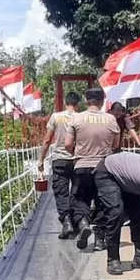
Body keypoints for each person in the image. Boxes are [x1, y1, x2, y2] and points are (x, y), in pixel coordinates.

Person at [64, 88, 119, 250]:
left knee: (79, 199)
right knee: (102, 203)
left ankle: (83, 223)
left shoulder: (76, 118)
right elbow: (116, 145)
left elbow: (67, 144)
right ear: (101, 102)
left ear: (86, 101)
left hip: (82, 166)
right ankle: (100, 241)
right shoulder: (111, 119)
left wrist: (78, 154)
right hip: (104, 167)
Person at [40, 92, 81, 239]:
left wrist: (41, 160)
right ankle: (79, 223)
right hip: (77, 160)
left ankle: (67, 222)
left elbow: (47, 140)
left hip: (59, 160)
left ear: (65, 102)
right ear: (78, 104)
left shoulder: (55, 117)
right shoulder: (81, 117)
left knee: (61, 193)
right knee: (77, 192)